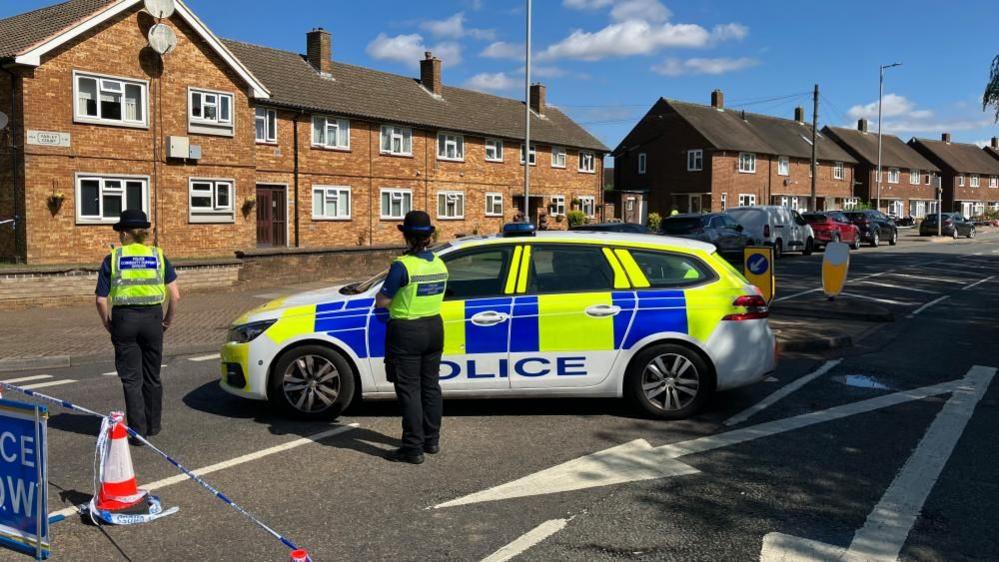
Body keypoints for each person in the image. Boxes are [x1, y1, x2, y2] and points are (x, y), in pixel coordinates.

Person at [95, 210, 180, 446]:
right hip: (153, 320)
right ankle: (153, 427)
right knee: (152, 376)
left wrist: (108, 324)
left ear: (124, 234)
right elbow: (175, 296)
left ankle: (138, 433)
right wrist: (166, 322)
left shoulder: (112, 258)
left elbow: (101, 300)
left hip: (124, 321)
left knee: (132, 380)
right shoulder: (158, 255)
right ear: (143, 233)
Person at [374, 210, 448, 464]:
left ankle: (412, 448)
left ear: (406, 236)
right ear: (429, 237)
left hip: (406, 331)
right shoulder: (439, 263)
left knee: (409, 390)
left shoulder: (402, 265)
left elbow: (383, 300)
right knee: (430, 387)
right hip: (434, 328)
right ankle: (432, 440)